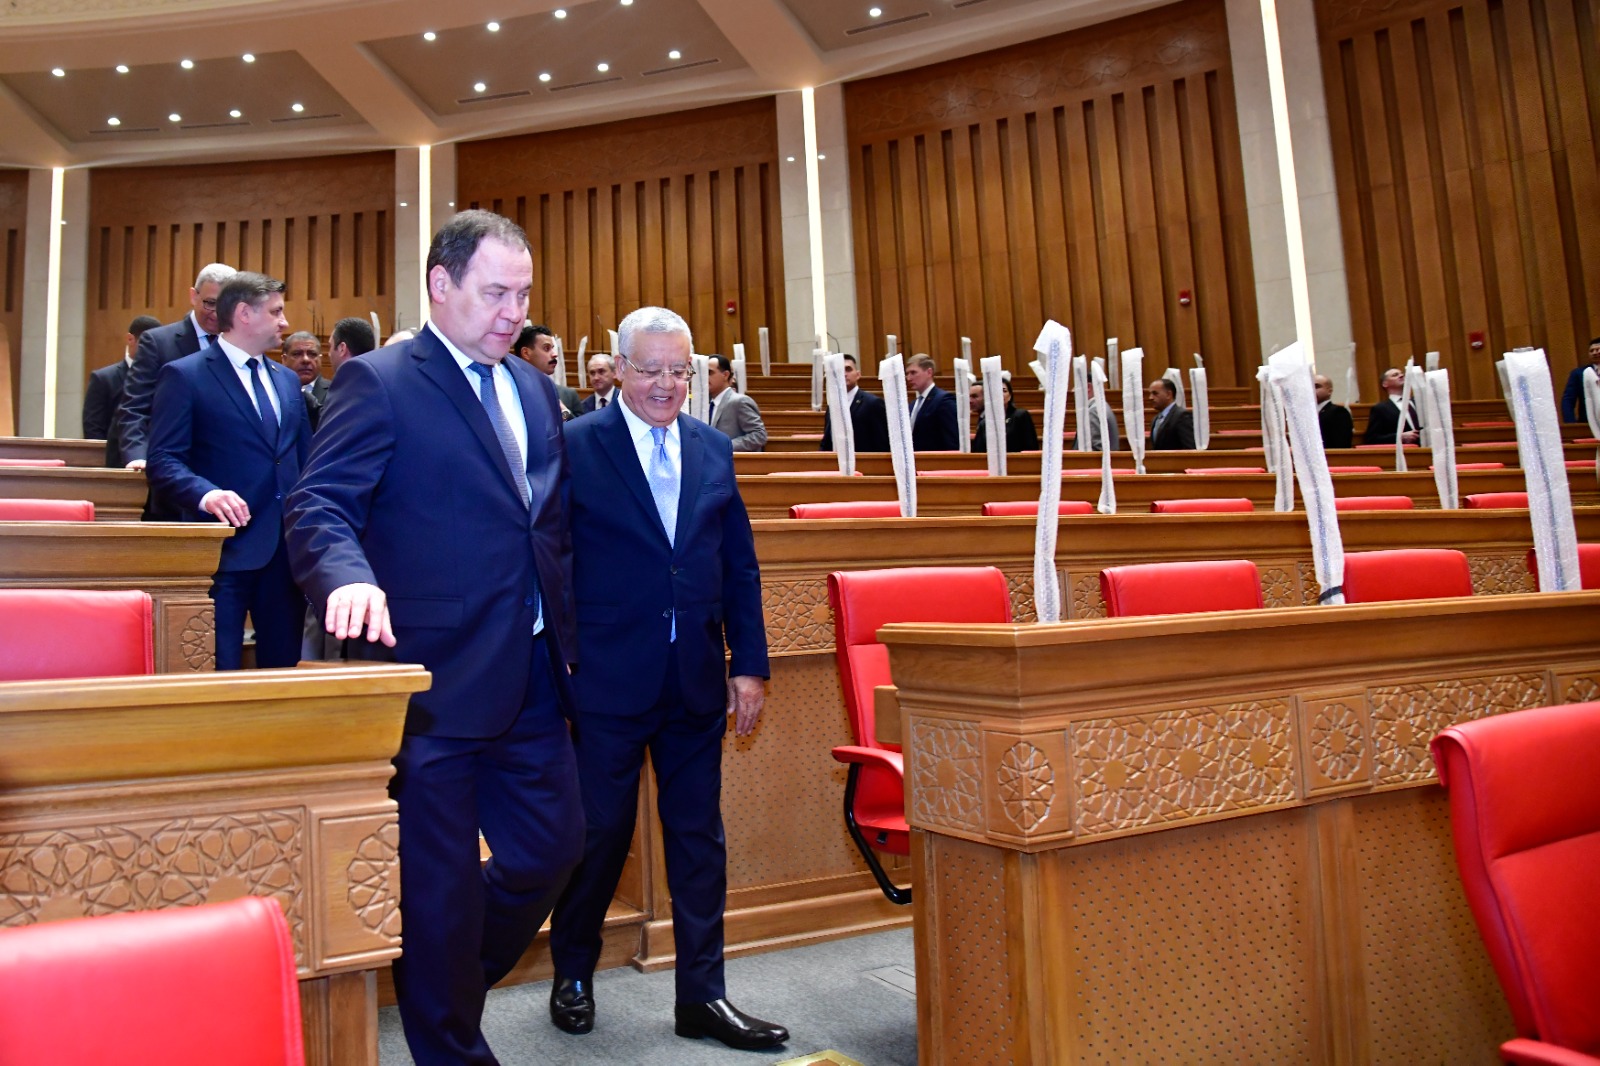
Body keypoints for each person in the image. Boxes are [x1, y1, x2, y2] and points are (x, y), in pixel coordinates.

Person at [284, 210, 582, 1066]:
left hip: (530, 672)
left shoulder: (533, 388)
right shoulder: (381, 381)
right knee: (442, 888)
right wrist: (347, 577)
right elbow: (318, 502)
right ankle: (450, 1038)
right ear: (440, 285)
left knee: (554, 849)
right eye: (496, 293)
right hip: (430, 682)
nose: (514, 313)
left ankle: (436, 978)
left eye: (524, 295)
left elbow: (543, 524)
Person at [548, 306, 786, 1053]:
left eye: (678, 370)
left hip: (694, 679)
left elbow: (737, 564)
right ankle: (573, 970)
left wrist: (749, 664)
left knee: (698, 841)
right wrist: (560, 663)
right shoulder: (575, 444)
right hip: (606, 681)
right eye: (649, 369)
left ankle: (702, 996)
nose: (665, 384)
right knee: (599, 835)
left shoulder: (712, 446)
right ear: (619, 369)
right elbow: (551, 562)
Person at [146, 272, 309, 671]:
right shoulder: (185, 375)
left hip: (285, 554)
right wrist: (206, 494)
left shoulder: (287, 381)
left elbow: (304, 458)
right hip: (222, 554)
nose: (284, 322)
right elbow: (163, 460)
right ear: (243, 314)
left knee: (283, 675)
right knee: (219, 671)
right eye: (276, 312)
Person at [115, 262, 238, 518]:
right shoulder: (158, 343)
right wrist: (138, 455)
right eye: (210, 303)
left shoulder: (240, 347)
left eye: (225, 305)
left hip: (228, 481)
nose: (217, 313)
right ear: (193, 296)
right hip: (173, 482)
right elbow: (134, 408)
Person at [82, 314, 159, 467]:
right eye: (146, 344)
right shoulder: (103, 378)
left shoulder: (162, 377)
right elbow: (93, 428)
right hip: (113, 462)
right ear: (130, 339)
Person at [819, 353, 890, 452]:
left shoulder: (873, 403)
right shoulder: (832, 406)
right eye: (839, 371)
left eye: (848, 369)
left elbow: (882, 443)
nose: (844, 374)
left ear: (858, 375)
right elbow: (827, 442)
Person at [517, 324, 581, 420]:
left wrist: (564, 412)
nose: (554, 354)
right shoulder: (508, 390)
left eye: (552, 348)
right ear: (526, 353)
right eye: (546, 348)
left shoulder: (568, 395)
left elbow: (581, 428)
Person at [705, 354, 767, 451]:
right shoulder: (706, 405)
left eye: (709, 372)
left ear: (725, 375)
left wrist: (725, 446)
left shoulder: (740, 401)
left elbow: (759, 435)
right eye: (703, 373)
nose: (705, 377)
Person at [970, 375, 1038, 452]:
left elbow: (1031, 447)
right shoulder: (984, 422)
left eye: (1004, 391)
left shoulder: (1020, 415)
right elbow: (978, 452)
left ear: (1010, 396)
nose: (1000, 394)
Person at [906, 353, 958, 450]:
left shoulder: (944, 401)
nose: (908, 378)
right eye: (907, 374)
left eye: (913, 373)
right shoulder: (913, 404)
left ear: (929, 372)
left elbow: (952, 441)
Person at [280, 330, 328, 431]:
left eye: (312, 354)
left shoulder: (335, 391)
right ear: (284, 359)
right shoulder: (274, 391)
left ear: (320, 359)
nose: (306, 360)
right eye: (297, 354)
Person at [1362, 367, 1419, 445]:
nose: (1401, 375)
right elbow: (1371, 439)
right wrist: (1399, 437)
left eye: (1402, 374)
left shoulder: (1418, 402)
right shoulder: (1381, 409)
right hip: (1405, 450)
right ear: (1385, 384)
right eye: (1395, 375)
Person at [1146, 377, 1195, 449]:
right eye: (1150, 394)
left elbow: (1190, 448)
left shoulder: (1182, 416)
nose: (1150, 397)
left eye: (1155, 393)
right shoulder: (1155, 419)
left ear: (1168, 394)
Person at [1560, 338, 1600, 423]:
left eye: (1597, 350)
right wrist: (1571, 424)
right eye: (1591, 351)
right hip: (1588, 423)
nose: (1594, 353)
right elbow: (1568, 400)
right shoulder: (1579, 373)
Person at [1315, 373, 1354, 449]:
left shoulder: (1338, 412)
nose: (1312, 390)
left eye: (1317, 387)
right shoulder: (1304, 414)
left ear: (1329, 391)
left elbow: (1341, 444)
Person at [1085, 374, 1120, 452]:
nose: (1073, 391)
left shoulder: (1093, 411)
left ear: (1088, 387)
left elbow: (1098, 450)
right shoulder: (1102, 406)